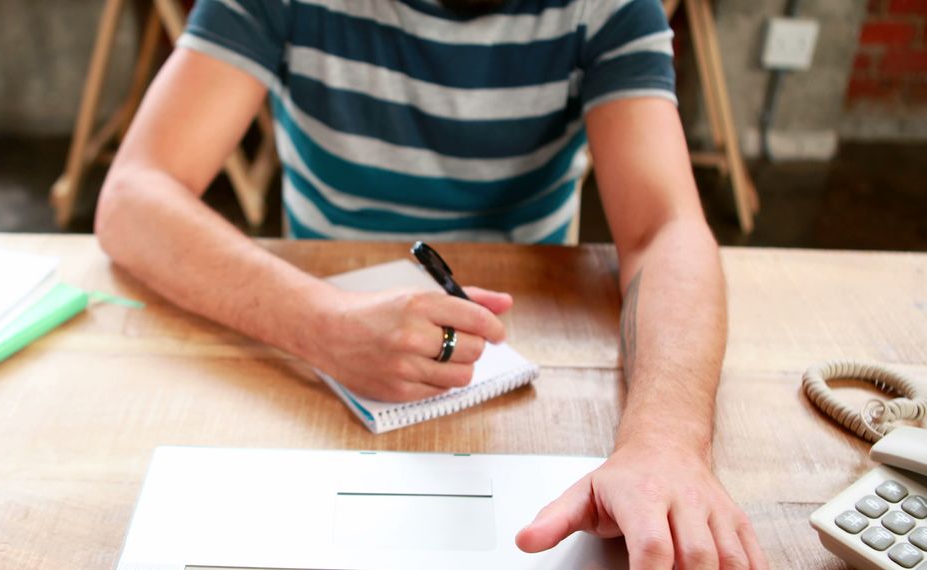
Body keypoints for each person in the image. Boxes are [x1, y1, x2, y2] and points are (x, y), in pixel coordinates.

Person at [95, 0, 769, 567]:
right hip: (311, 361)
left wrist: (666, 441)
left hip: (533, 364)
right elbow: (133, 196)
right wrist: (320, 321)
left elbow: (665, 230)